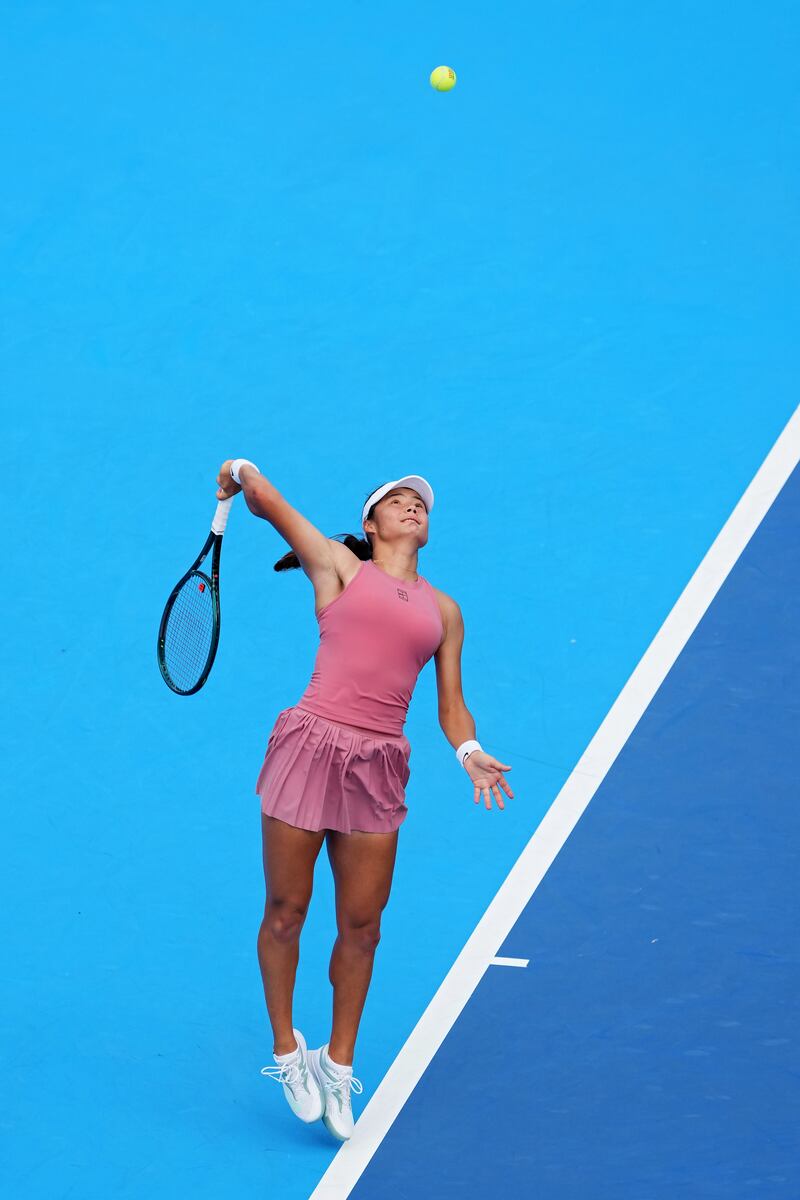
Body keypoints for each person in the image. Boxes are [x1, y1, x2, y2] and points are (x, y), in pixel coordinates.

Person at [215, 459, 514, 1141]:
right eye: (399, 500)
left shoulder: (444, 611)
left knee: (363, 925)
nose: (414, 506)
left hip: (379, 766)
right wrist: (239, 472)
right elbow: (268, 501)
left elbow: (451, 705)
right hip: (310, 748)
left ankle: (336, 1061)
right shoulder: (338, 570)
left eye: (422, 504)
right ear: (371, 524)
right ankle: (288, 1050)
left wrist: (470, 754)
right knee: (287, 911)